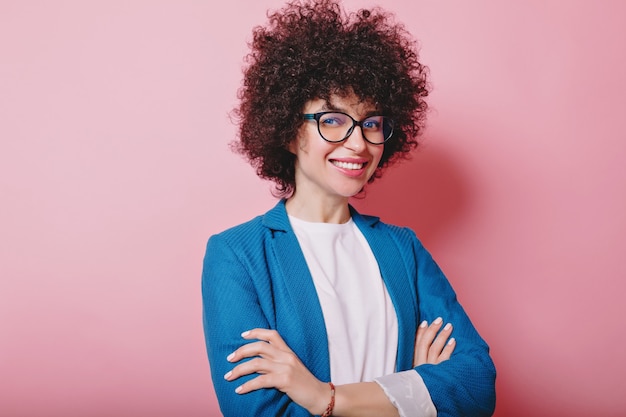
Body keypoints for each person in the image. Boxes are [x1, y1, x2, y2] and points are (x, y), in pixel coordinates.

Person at [201, 0, 496, 416]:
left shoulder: (403, 249)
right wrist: (412, 392)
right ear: (288, 131)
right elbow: (256, 411)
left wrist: (324, 397)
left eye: (371, 123)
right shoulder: (238, 255)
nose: (358, 143)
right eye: (333, 119)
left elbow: (477, 383)